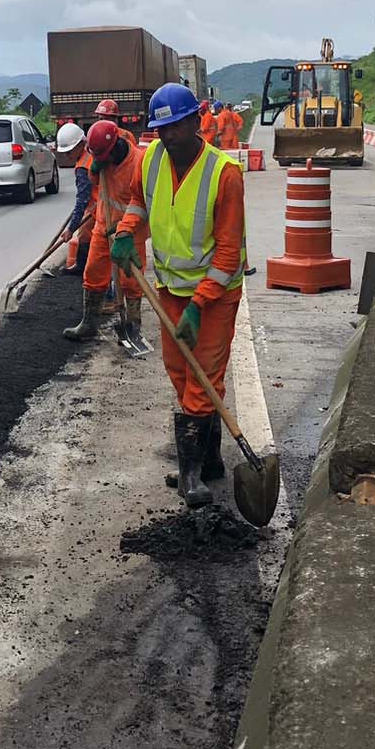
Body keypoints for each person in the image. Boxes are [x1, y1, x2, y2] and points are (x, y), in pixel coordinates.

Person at [114, 83, 247, 508]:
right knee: (179, 372)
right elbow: (138, 202)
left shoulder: (224, 174)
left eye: (174, 126)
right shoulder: (150, 158)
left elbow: (228, 251)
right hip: (170, 289)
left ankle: (191, 476)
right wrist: (124, 232)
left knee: (203, 381)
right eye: (160, 128)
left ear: (195, 122)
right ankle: (209, 461)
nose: (167, 136)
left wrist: (200, 304)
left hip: (215, 294)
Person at [63, 119, 147, 342]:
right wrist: (94, 169)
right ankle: (89, 323)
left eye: (103, 157)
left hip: (130, 232)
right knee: (93, 272)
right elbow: (95, 182)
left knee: (130, 279)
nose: (101, 161)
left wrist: (125, 231)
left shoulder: (139, 163)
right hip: (104, 225)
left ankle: (133, 325)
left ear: (116, 146)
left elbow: (144, 203)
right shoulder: (102, 159)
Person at [54, 122, 93, 276]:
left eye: (69, 152)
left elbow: (83, 198)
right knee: (85, 232)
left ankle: (83, 266)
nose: (67, 156)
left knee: (85, 233)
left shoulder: (83, 166)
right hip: (97, 202)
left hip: (97, 205)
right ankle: (83, 264)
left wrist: (71, 229)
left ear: (79, 145)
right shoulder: (90, 153)